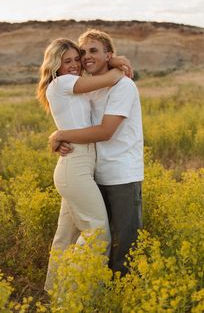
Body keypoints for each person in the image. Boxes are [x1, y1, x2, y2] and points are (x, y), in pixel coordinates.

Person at [37, 38, 130, 291]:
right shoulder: (63, 82)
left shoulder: (68, 86)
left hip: (77, 165)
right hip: (75, 166)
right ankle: (75, 295)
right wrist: (116, 61)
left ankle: (54, 291)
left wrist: (59, 136)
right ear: (55, 64)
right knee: (97, 231)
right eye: (67, 61)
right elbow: (109, 79)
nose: (74, 65)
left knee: (66, 236)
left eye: (76, 60)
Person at [49, 29, 144, 276]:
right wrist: (58, 136)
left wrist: (61, 135)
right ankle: (67, 289)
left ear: (108, 54)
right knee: (85, 234)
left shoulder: (123, 86)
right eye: (83, 52)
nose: (85, 57)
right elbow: (74, 120)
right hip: (92, 173)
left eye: (94, 51)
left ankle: (123, 295)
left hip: (121, 174)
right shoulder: (86, 87)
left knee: (124, 244)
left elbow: (105, 131)